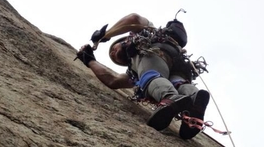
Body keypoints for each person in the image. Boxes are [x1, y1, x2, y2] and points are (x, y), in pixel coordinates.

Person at [76, 13, 210, 140]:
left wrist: (105, 35)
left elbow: (134, 19)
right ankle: (194, 103)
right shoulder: (133, 73)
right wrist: (90, 60)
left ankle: (169, 98)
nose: (112, 53)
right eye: (112, 56)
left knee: (150, 76)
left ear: (124, 40)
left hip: (156, 51)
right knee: (179, 83)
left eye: (113, 49)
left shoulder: (143, 34)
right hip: (179, 63)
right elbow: (113, 80)